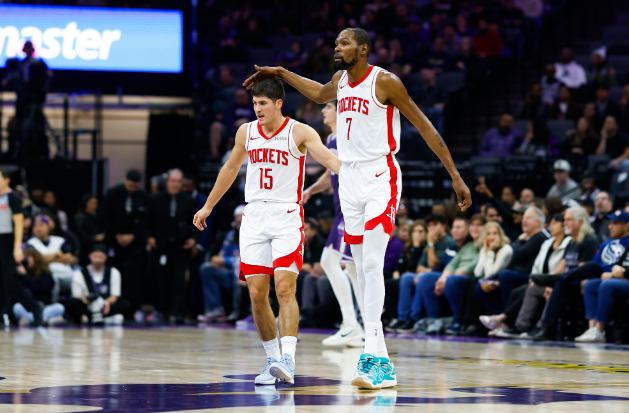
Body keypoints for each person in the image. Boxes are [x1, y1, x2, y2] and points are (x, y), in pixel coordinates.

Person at [243, 27, 472, 389]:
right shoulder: (340, 81)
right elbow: (318, 92)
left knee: (370, 264)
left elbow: (424, 126)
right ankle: (382, 360)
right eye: (336, 43)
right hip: (348, 178)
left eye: (345, 43)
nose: (337, 48)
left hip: (379, 174)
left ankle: (371, 355)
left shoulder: (385, 82)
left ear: (363, 49)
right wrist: (282, 73)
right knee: (359, 270)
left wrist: (455, 175)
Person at [193, 78, 343, 386]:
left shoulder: (300, 131)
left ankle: (288, 358)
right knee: (256, 293)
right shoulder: (246, 132)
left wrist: (363, 176)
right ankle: (273, 360)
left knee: (285, 288)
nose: (257, 108)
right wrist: (208, 205)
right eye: (254, 103)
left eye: (263, 103)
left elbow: (330, 160)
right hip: (254, 217)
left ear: (278, 104)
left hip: (286, 214)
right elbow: (230, 169)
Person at [302, 100, 363, 347]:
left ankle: (352, 324)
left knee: (329, 261)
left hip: (351, 208)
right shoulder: (330, 139)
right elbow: (330, 174)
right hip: (341, 210)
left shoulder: (350, 137)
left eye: (328, 107)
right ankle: (363, 327)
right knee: (352, 268)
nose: (323, 111)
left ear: (340, 111)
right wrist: (311, 190)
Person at [534, 209, 629, 340]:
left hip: (615, 277)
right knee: (585, 281)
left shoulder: (620, 242)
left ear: (626, 226)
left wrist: (611, 273)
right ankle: (591, 329)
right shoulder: (605, 244)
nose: (610, 226)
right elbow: (595, 264)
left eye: (615, 223)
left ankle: (599, 329)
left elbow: (619, 267)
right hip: (601, 275)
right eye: (610, 222)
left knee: (594, 279)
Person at [480, 214, 570, 335]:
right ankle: (511, 324)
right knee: (516, 291)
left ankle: (505, 320)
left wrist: (547, 282)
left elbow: (561, 270)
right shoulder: (547, 243)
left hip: (554, 282)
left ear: (563, 226)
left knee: (520, 286)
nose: (550, 226)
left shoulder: (566, 243)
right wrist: (534, 280)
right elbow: (536, 266)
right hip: (539, 280)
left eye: (554, 223)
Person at [147, 169, 198, 324]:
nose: (175, 184)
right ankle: (162, 310)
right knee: (161, 278)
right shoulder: (155, 199)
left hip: (181, 247)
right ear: (167, 182)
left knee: (179, 280)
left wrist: (194, 239)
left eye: (178, 181)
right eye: (173, 181)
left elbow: (197, 222)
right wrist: (149, 237)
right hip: (161, 246)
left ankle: (177, 312)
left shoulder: (189, 201)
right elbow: (147, 221)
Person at [475, 207, 549, 315]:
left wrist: (519, 240)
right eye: (523, 218)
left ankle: (505, 316)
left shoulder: (540, 237)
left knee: (506, 275)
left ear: (538, 222)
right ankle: (498, 315)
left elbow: (517, 254)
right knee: (481, 286)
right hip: (516, 275)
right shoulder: (527, 239)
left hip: (529, 277)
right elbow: (512, 262)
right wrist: (495, 280)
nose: (523, 221)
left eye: (528, 218)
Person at [446, 221, 513, 336]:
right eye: (488, 234)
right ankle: (466, 321)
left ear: (500, 235)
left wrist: (490, 252)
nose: (491, 237)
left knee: (475, 283)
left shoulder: (506, 249)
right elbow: (478, 272)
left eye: (495, 233)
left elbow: (491, 272)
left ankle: (475, 323)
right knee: (470, 281)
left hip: (499, 281)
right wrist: (485, 252)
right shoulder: (485, 249)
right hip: (488, 278)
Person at [102, 169, 151, 312]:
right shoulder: (113, 194)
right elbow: (104, 217)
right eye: (130, 185)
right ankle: (113, 306)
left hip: (134, 242)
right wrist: (116, 235)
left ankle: (133, 308)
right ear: (125, 181)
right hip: (115, 240)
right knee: (115, 272)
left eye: (135, 186)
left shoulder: (144, 197)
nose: (132, 188)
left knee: (134, 275)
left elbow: (146, 221)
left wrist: (133, 235)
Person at [0, 167, 43, 327]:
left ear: (6, 180)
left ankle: (35, 308)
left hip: (8, 242)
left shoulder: (13, 198)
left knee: (11, 282)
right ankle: (2, 315)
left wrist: (17, 247)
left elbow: (18, 224)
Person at [65, 244, 131, 325]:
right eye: (95, 256)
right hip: (88, 304)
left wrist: (106, 302)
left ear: (106, 257)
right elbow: (77, 295)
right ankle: (105, 319)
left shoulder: (113, 272)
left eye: (101, 257)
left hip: (105, 305)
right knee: (72, 304)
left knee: (124, 304)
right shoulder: (79, 273)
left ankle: (91, 318)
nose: (98, 260)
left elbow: (115, 295)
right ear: (90, 256)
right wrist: (85, 298)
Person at [197, 205, 242, 323]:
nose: (239, 220)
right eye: (237, 217)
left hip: (245, 272)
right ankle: (215, 309)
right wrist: (217, 260)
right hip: (228, 272)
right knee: (206, 268)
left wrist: (225, 260)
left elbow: (248, 259)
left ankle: (237, 310)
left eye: (242, 217)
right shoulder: (231, 235)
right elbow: (222, 255)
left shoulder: (254, 235)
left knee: (237, 268)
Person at [578, 244, 629, 342]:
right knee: (590, 285)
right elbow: (618, 263)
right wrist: (615, 269)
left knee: (606, 285)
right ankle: (592, 328)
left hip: (625, 278)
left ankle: (600, 329)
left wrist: (619, 274)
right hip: (620, 278)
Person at [27, 215, 77, 303]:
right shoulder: (30, 243)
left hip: (66, 273)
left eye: (41, 225)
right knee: (53, 280)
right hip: (47, 275)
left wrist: (46, 258)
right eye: (35, 226)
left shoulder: (59, 240)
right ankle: (54, 303)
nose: (38, 228)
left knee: (78, 276)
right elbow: (38, 260)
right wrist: (57, 255)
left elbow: (70, 258)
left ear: (48, 227)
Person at [12, 247, 65, 326]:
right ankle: (41, 319)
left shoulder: (45, 274)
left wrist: (25, 276)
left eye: (28, 258)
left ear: (35, 258)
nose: (25, 260)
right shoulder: (21, 275)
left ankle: (35, 319)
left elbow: (39, 290)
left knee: (59, 307)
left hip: (45, 306)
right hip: (29, 307)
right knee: (17, 307)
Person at [74, 194, 105, 267]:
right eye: (92, 204)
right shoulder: (80, 218)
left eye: (96, 204)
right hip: (84, 254)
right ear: (85, 204)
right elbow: (82, 239)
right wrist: (95, 238)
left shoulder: (93, 217)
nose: (95, 207)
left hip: (94, 250)